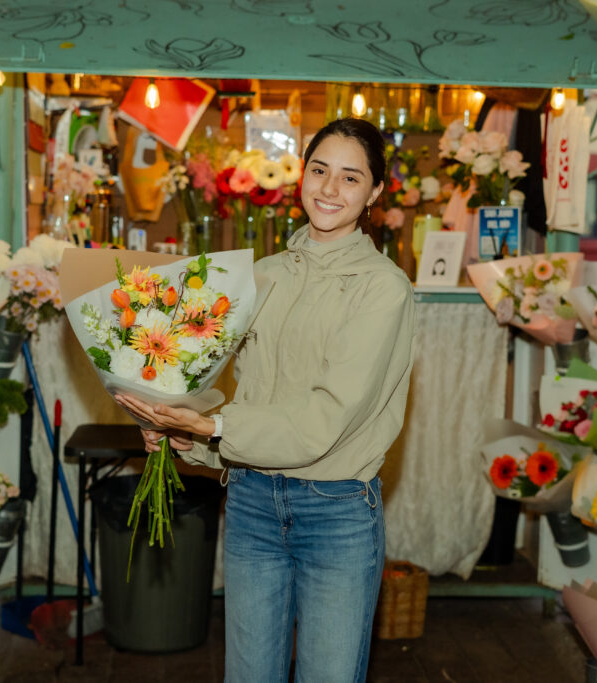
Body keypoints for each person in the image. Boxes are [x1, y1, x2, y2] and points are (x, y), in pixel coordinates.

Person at [115, 118, 417, 682]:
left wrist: (213, 428)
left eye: (350, 178)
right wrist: (177, 426)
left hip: (336, 511)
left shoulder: (383, 289)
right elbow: (238, 393)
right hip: (252, 501)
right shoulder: (260, 275)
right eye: (320, 170)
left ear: (375, 192)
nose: (329, 188)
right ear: (302, 174)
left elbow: (326, 418)